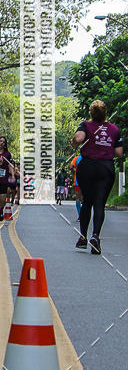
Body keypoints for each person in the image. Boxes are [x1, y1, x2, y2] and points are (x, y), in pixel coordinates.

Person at [72, 100, 123, 255]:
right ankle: (95, 236)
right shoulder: (114, 129)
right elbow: (119, 153)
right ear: (105, 112)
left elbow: (79, 139)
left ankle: (82, 237)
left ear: (91, 113)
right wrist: (105, 150)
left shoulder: (85, 125)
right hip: (105, 168)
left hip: (87, 166)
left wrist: (74, 143)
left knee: (87, 201)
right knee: (99, 202)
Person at [70, 154, 82, 220]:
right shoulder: (90, 157)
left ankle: (80, 215)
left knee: (78, 198)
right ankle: (85, 214)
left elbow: (71, 167)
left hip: (78, 181)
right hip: (88, 181)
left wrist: (75, 173)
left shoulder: (77, 158)